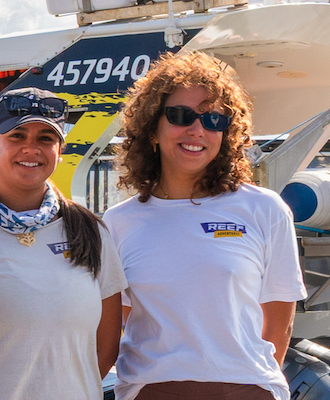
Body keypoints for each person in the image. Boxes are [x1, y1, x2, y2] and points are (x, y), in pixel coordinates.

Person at [103, 52, 304, 400]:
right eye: (181, 116)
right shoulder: (118, 222)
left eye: (214, 119)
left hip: (248, 391)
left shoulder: (265, 209)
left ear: (227, 133)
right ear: (152, 127)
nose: (197, 130)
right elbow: (116, 326)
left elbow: (280, 321)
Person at [0, 88, 126, 400]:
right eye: (17, 136)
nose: (31, 148)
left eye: (46, 138)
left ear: (60, 150)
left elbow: (106, 346)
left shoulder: (91, 232)